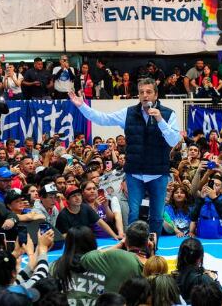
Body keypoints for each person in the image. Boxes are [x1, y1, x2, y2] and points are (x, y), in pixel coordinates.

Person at [69, 78, 182, 237]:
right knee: (133, 214)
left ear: (156, 95)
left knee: (157, 217)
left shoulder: (168, 114)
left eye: (149, 92)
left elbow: (173, 141)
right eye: (141, 92)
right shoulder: (128, 113)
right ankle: (134, 247)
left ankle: (153, 247)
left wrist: (160, 120)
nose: (145, 95)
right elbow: (103, 119)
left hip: (158, 173)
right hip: (135, 173)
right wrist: (82, 106)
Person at [80, 220, 152, 293]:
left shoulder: (116, 256)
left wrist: (117, 246)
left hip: (113, 298)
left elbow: (86, 258)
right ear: (147, 243)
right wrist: (151, 253)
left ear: (126, 241)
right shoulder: (150, 264)